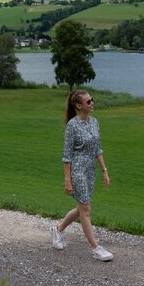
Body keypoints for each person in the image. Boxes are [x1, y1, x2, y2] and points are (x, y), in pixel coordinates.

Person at [49, 89, 114, 261]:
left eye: (92, 100)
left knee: (81, 209)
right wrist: (67, 180)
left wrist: (104, 171)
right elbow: (66, 155)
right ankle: (96, 248)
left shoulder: (94, 122)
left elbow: (97, 149)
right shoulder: (72, 125)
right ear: (79, 106)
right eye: (88, 102)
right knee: (85, 209)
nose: (92, 103)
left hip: (89, 170)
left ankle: (58, 229)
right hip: (77, 170)